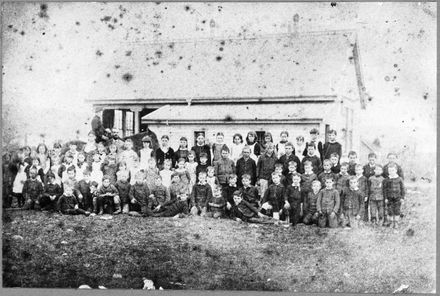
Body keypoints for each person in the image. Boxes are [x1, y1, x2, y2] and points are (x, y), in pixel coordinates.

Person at [383, 164, 405, 228]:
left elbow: (403, 189)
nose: (391, 172)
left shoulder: (399, 179)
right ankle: (392, 222)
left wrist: (402, 197)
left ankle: (396, 222)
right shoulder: (386, 179)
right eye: (389, 171)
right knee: (390, 210)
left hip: (398, 197)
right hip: (389, 197)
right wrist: (386, 198)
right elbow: (384, 189)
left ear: (396, 170)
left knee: (397, 210)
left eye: (392, 170)